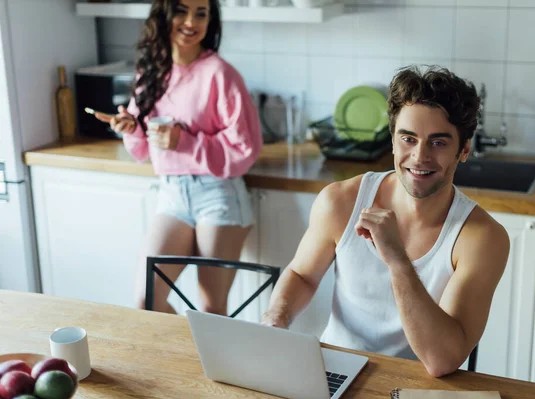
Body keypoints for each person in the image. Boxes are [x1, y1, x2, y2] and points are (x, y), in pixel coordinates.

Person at [261, 66, 510, 377]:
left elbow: (443, 360)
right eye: (408, 139)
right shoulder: (340, 201)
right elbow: (302, 274)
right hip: (332, 372)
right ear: (392, 140)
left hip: (413, 387)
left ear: (464, 150)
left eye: (438, 143)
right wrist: (276, 317)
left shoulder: (481, 239)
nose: (419, 156)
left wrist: (397, 259)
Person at [95, 0, 262, 315]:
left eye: (201, 13)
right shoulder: (152, 72)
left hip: (218, 193)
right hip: (171, 194)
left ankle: (208, 363)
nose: (191, 21)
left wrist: (183, 142)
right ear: (164, 15)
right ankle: (189, 359)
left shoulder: (220, 74)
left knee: (211, 308)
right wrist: (131, 128)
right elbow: (142, 151)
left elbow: (246, 149)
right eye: (182, 11)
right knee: (147, 299)